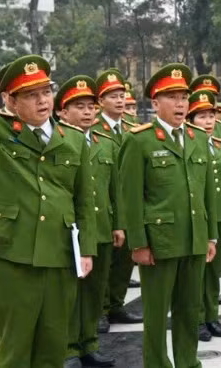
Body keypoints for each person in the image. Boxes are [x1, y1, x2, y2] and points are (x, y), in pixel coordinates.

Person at [0, 55, 96, 367]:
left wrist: (87, 249)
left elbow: (83, 200)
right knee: (14, 345)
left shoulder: (71, 138)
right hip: (13, 254)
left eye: (46, 91)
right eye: (31, 95)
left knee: (54, 345)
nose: (42, 100)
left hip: (60, 254)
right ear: (10, 101)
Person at [119, 63, 218, 368]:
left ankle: (188, 363)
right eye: (171, 97)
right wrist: (138, 243)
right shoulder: (140, 140)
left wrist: (211, 234)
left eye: (183, 97)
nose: (180, 103)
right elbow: (131, 197)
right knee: (157, 313)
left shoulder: (198, 137)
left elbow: (207, 194)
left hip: (194, 240)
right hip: (159, 243)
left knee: (190, 310)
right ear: (155, 102)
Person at [56, 76, 123, 368]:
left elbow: (115, 188)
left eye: (90, 107)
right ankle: (69, 348)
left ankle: (89, 343)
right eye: (78, 106)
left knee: (96, 290)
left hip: (102, 227)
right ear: (62, 111)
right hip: (70, 230)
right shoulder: (57, 140)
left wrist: (119, 224)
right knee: (71, 292)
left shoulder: (105, 142)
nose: (87, 112)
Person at [185, 89, 221, 342]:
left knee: (214, 272)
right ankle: (196, 319)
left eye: (211, 116)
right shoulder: (186, 144)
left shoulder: (220, 144)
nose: (208, 121)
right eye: (201, 116)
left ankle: (211, 316)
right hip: (198, 217)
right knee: (197, 272)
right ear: (190, 119)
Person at [93, 69, 143, 331]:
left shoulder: (133, 128)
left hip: (129, 204)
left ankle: (116, 304)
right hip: (103, 203)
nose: (120, 100)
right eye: (113, 96)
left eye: (122, 95)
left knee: (125, 259)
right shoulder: (92, 129)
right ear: (101, 101)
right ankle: (100, 309)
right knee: (104, 261)